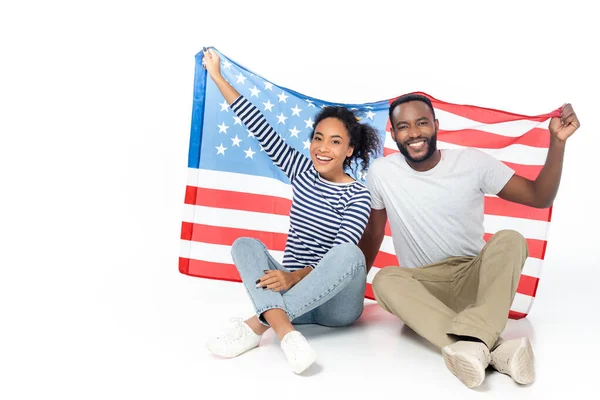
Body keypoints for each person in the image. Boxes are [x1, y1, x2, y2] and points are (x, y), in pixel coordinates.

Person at [358, 93, 580, 388]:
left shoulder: (472, 163)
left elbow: (540, 197)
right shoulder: (382, 173)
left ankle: (470, 346)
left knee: (511, 239)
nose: (414, 133)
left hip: (474, 280)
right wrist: (351, 288)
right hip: (423, 289)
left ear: (436, 125)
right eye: (403, 126)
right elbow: (374, 234)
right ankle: (499, 349)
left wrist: (558, 142)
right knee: (385, 280)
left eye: (422, 123)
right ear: (393, 133)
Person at [202, 48, 382, 374]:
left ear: (350, 150)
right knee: (244, 245)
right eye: (318, 138)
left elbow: (340, 253)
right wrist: (217, 77)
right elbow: (260, 126)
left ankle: (257, 327)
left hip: (335, 306)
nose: (323, 148)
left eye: (335, 142)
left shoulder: (358, 193)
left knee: (349, 254)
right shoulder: (301, 168)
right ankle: (287, 333)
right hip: (294, 298)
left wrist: (293, 276)